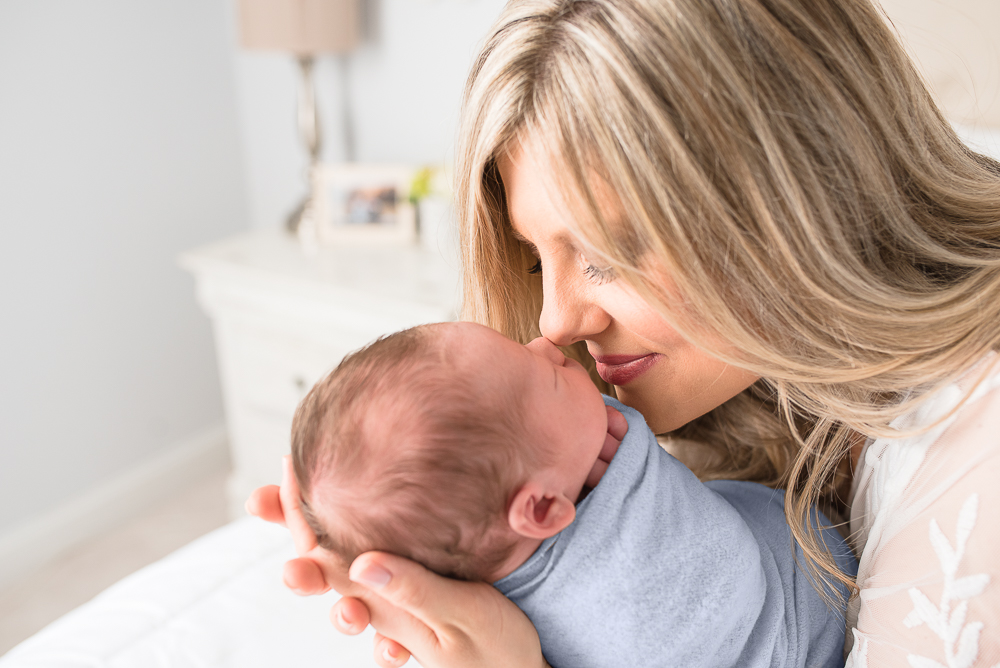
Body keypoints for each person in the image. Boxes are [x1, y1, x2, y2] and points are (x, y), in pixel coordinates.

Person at [246, 1, 1000, 666]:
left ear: (794, 205)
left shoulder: (979, 454)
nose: (555, 324)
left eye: (603, 256)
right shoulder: (734, 388)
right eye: (538, 260)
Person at [290, 321, 856, 667]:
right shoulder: (637, 613)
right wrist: (632, 460)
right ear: (540, 508)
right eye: (551, 377)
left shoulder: (493, 550)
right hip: (811, 626)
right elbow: (725, 590)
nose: (545, 342)